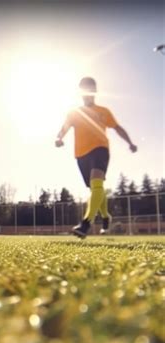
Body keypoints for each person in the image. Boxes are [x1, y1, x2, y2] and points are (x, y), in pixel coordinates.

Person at [55, 77, 137, 238]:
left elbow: (118, 128)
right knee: (95, 188)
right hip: (81, 154)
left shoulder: (103, 111)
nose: (87, 92)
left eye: (90, 88)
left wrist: (130, 143)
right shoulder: (74, 113)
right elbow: (63, 129)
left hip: (100, 149)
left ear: (95, 91)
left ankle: (85, 224)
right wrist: (59, 138)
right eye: (84, 89)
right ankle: (106, 216)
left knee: (96, 181)